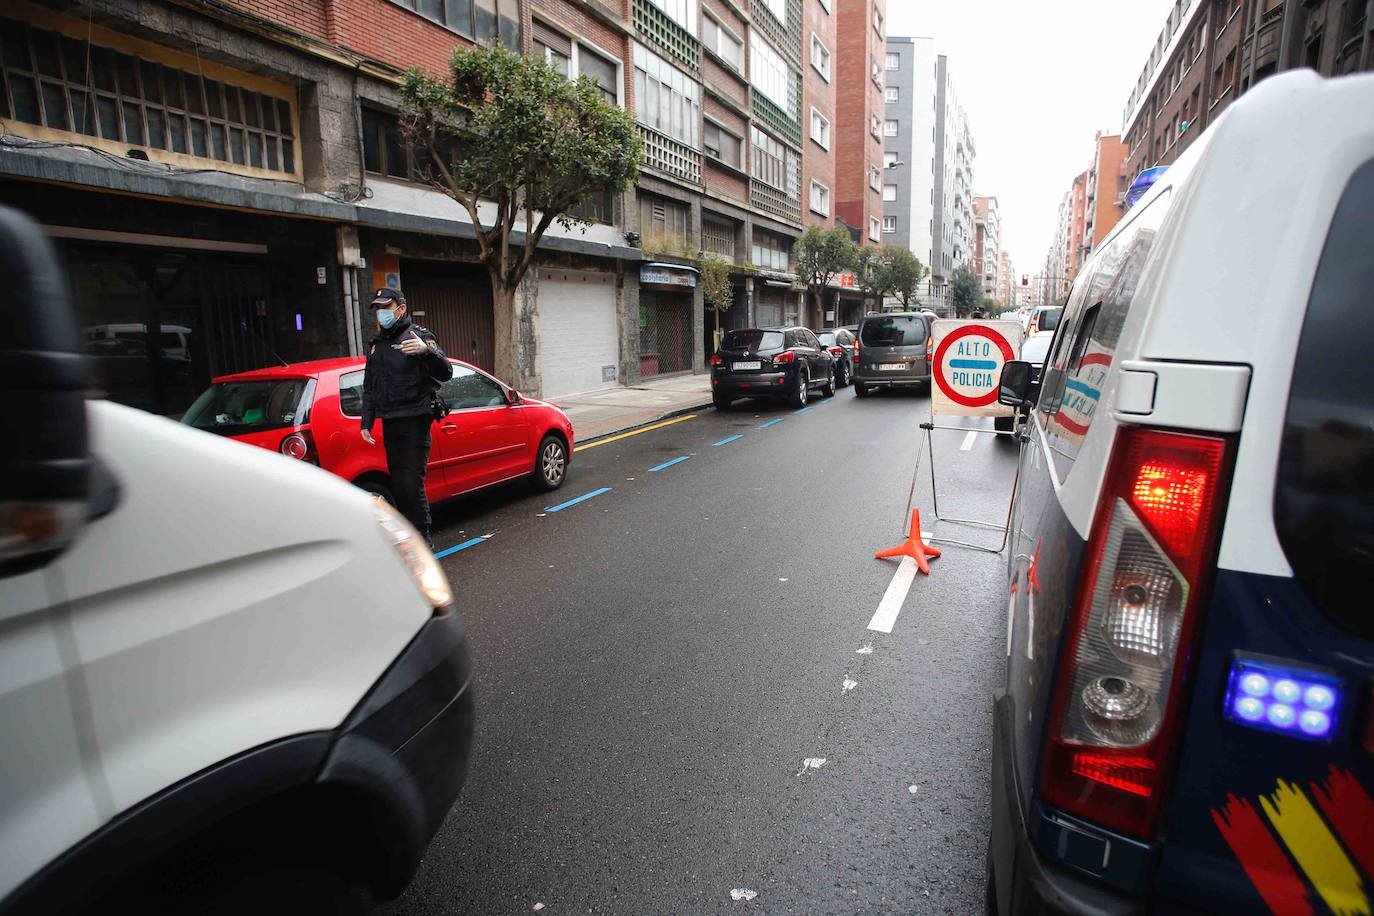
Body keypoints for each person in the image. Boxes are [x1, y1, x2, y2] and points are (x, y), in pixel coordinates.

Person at [359, 288, 453, 543]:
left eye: (386, 307)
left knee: (411, 485)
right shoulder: (377, 345)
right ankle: (410, 539)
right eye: (378, 309)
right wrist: (366, 421)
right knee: (399, 486)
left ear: (401, 309)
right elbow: (370, 386)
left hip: (415, 420)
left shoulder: (418, 336)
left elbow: (446, 372)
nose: (381, 313)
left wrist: (426, 351)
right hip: (391, 420)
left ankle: (423, 541)